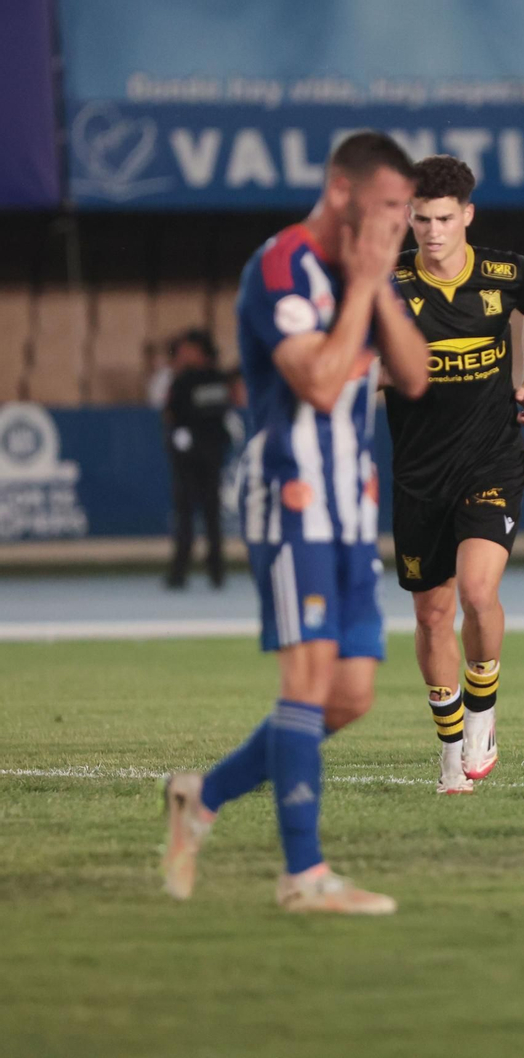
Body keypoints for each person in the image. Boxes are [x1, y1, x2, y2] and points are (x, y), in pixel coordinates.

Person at [159, 131, 431, 911]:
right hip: (290, 497)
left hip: (351, 504)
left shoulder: (366, 273)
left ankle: (200, 796)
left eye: (404, 211)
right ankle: (303, 876)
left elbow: (411, 374)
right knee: (307, 684)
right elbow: (314, 380)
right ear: (340, 193)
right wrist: (363, 288)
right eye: (386, 206)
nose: (396, 224)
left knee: (349, 697)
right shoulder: (279, 266)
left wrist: (376, 286)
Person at [387, 155, 524, 794]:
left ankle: (483, 710)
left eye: (444, 219)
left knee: (478, 594)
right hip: (418, 473)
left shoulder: (507, 272)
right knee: (432, 617)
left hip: (491, 461)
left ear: (468, 216)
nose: (432, 232)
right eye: (422, 219)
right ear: (408, 215)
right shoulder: (386, 284)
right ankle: (450, 745)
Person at [162, 329, 233, 590]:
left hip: (207, 453)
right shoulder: (185, 380)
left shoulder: (209, 379)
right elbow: (171, 415)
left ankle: (214, 572)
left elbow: (216, 411)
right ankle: (182, 573)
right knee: (188, 515)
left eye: (188, 348)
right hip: (190, 456)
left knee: (209, 515)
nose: (183, 354)